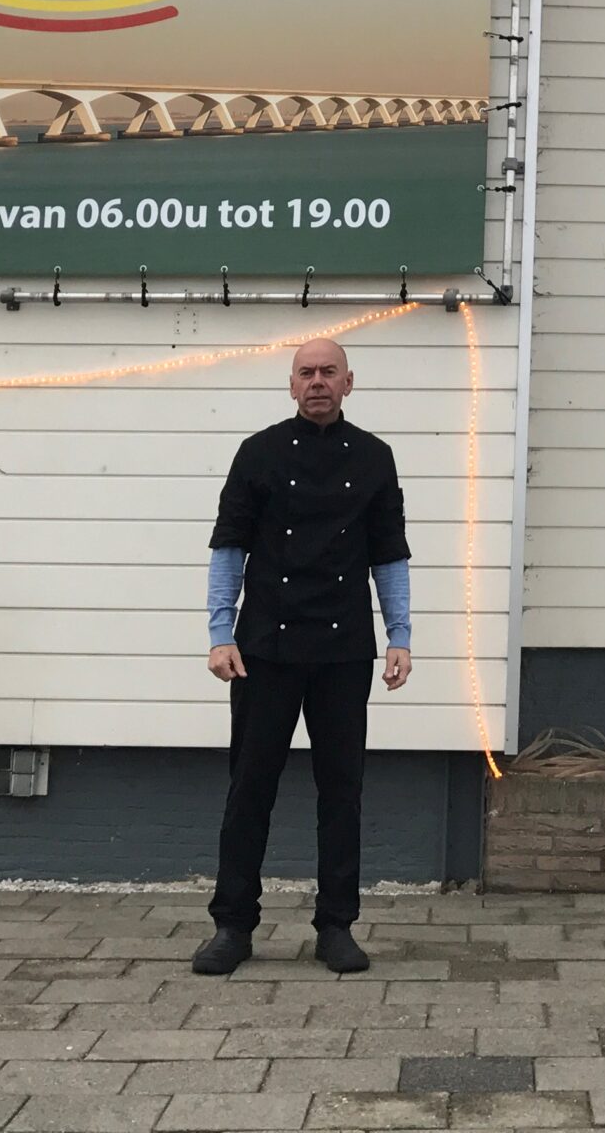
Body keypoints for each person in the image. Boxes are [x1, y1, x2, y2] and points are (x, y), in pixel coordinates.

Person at [191, 336, 411, 976]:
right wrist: (220, 633)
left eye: (328, 372)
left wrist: (399, 636)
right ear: (291, 385)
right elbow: (229, 547)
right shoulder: (257, 452)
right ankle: (233, 925)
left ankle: (336, 926)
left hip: (343, 648)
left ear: (348, 382)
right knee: (249, 787)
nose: (317, 382)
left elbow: (389, 555)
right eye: (306, 372)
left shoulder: (374, 457)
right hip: (264, 647)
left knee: (342, 790)